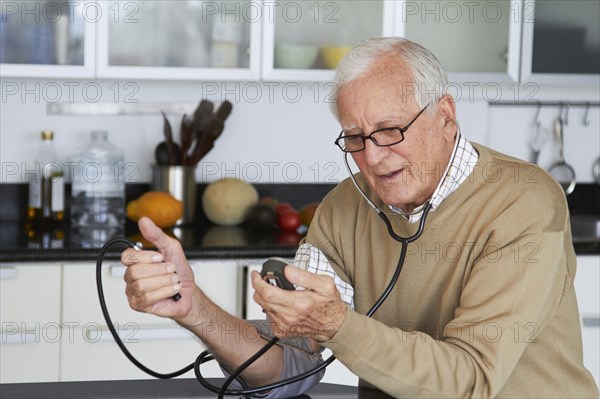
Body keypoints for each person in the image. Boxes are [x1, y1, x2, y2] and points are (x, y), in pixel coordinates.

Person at [121, 37, 599, 398]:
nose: (373, 157)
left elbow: (469, 381)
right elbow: (292, 367)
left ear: (446, 116)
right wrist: (194, 308)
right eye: (354, 137)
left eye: (390, 130)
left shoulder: (524, 202)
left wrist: (337, 324)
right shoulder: (344, 207)